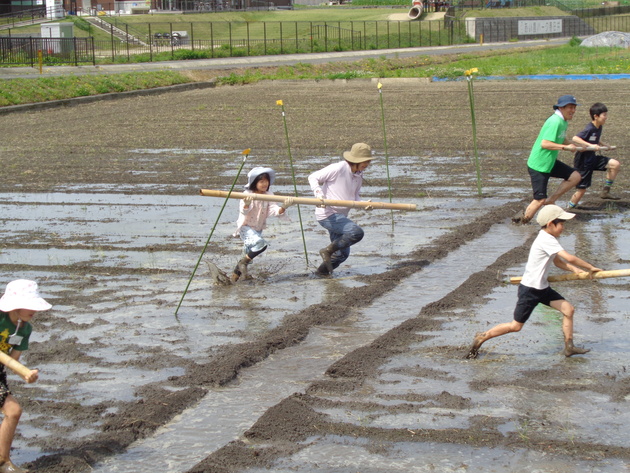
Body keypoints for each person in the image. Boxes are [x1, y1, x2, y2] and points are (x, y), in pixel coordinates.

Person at [467, 205, 602, 359]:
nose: (563, 227)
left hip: (542, 289)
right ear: (551, 224)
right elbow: (569, 257)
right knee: (516, 326)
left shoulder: (548, 238)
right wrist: (590, 267)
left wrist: (575, 270)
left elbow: (558, 262)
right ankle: (482, 336)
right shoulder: (546, 239)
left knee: (568, 310)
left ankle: (569, 347)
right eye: (562, 224)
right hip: (530, 290)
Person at [0, 280, 51, 473]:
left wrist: (26, 374)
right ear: (16, 305)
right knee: (13, 411)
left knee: (13, 412)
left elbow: (13, 359)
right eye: (30, 306)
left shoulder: (24, 329)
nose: (34, 311)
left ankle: (3, 462)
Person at [308, 142, 375, 276]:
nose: (366, 166)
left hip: (340, 216)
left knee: (341, 255)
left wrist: (363, 204)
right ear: (355, 160)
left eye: (367, 163)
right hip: (328, 214)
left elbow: (354, 196)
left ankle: (320, 275)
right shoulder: (338, 168)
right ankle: (327, 251)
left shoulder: (358, 174)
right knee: (356, 232)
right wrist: (318, 194)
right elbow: (313, 177)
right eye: (364, 162)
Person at [514, 95, 582, 224]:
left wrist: (576, 146)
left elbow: (561, 138)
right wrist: (565, 148)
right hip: (539, 164)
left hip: (549, 162)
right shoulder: (555, 121)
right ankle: (522, 223)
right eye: (571, 108)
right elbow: (545, 143)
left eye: (574, 108)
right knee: (539, 199)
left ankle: (551, 200)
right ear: (561, 107)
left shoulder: (563, 121)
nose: (573, 111)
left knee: (575, 177)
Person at [232, 167, 294, 282]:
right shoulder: (247, 194)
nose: (264, 184)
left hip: (258, 228)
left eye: (266, 181)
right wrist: (246, 203)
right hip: (246, 227)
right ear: (255, 183)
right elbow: (244, 211)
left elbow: (273, 210)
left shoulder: (269, 194)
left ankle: (233, 278)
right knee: (261, 244)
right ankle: (242, 264)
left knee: (248, 255)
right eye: (261, 181)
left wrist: (284, 207)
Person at [568, 102, 621, 208]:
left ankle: (605, 192)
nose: (606, 117)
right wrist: (590, 145)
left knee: (615, 164)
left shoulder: (599, 127)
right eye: (604, 115)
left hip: (592, 158)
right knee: (582, 189)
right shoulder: (589, 128)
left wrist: (603, 144)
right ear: (596, 116)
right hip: (583, 161)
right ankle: (570, 208)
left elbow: (595, 138)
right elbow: (575, 138)